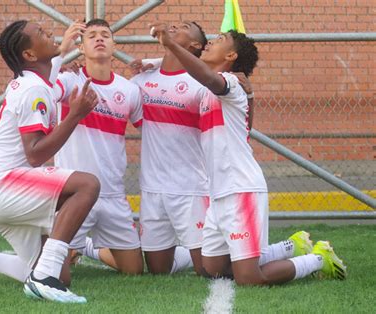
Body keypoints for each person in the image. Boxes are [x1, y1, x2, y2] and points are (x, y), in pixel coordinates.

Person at [150, 24, 347, 285]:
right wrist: (149, 62)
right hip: (218, 193)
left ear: (230, 57)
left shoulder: (228, 83)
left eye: (219, 40)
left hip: (241, 189)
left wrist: (171, 45)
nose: (210, 42)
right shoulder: (214, 88)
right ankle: (291, 246)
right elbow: (195, 79)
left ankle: (318, 258)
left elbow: (206, 77)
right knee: (213, 268)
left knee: (249, 278)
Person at [0, 20, 100, 303]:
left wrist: (64, 46)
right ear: (30, 56)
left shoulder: (34, 81)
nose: (51, 34)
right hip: (5, 186)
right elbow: (35, 154)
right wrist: (75, 115)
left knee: (62, 274)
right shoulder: (34, 90)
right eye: (42, 34)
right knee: (87, 185)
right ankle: (42, 279)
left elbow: (50, 76)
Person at [53, 19, 144, 275]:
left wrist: (152, 68)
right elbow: (43, 87)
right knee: (56, 271)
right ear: (81, 48)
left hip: (113, 194)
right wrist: (61, 51)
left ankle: (88, 248)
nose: (99, 38)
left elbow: (152, 129)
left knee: (134, 271)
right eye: (91, 35)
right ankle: (72, 246)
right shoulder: (69, 80)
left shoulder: (129, 90)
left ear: (114, 45)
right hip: (75, 194)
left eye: (105, 34)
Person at [128, 21, 210, 275]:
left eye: (184, 26)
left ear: (195, 45)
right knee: (158, 270)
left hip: (191, 188)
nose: (175, 25)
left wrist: (166, 48)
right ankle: (87, 247)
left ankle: (287, 250)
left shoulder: (203, 84)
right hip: (152, 189)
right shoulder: (140, 80)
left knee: (209, 270)